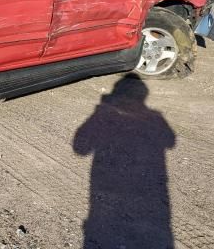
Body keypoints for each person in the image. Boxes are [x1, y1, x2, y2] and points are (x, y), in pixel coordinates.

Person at [73, 75, 176, 248]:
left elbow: (80, 148)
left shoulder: (102, 114)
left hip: (106, 190)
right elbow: (171, 141)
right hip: (148, 196)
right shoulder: (155, 118)